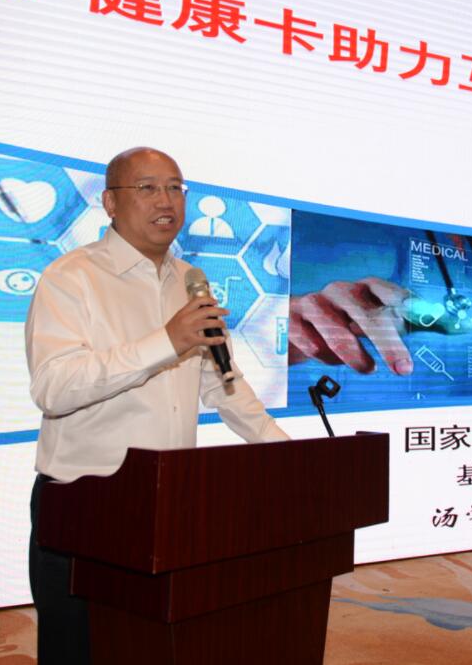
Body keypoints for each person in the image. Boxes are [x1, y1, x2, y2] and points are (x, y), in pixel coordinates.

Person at [24, 147, 289, 664]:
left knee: (152, 647)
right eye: (147, 188)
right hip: (86, 503)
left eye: (174, 188)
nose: (165, 201)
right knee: (79, 649)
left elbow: (223, 384)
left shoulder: (190, 281)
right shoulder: (71, 277)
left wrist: (288, 456)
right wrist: (166, 342)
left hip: (169, 505)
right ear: (110, 202)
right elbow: (54, 387)